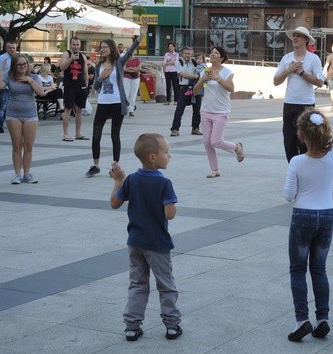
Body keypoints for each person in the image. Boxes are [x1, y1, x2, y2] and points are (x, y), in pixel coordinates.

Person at [283, 81, 333, 341]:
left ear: (301, 136)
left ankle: (302, 319)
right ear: (324, 132)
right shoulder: (332, 156)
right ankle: (323, 317)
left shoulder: (298, 162)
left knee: (297, 269)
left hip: (302, 216)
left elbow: (288, 195)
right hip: (327, 215)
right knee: (319, 269)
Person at [110, 133, 182, 342]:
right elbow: (170, 213)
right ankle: (171, 325)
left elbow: (114, 203)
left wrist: (118, 180)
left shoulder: (131, 179)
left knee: (138, 284)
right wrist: (170, 206)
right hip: (157, 244)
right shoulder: (164, 183)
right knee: (165, 284)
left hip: (135, 243)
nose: (169, 156)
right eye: (166, 152)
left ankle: (132, 327)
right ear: (152, 157)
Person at [85, 24, 147, 178]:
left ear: (111, 48)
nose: (103, 49)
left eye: (105, 46)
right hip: (103, 102)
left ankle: (115, 165)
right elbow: (96, 86)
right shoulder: (99, 65)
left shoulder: (118, 62)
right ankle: (95, 164)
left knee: (114, 134)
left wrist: (141, 36)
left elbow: (131, 50)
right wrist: (100, 77)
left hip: (117, 102)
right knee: (96, 133)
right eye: (101, 47)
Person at [273, 26, 324, 162]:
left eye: (298, 36)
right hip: (289, 104)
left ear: (306, 40)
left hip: (306, 105)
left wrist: (302, 73)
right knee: (289, 140)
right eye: (293, 35)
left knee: (305, 140)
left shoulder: (313, 59)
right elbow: (276, 81)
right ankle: (293, 170)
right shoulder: (286, 58)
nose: (294, 38)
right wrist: (288, 70)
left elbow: (320, 82)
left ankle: (305, 171)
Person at [0, 53, 46, 184]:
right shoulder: (10, 77)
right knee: (16, 146)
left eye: (25, 64)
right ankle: (17, 174)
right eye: (19, 64)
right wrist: (1, 70)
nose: (23, 66)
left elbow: (41, 92)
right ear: (14, 66)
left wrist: (29, 80)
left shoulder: (33, 77)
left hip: (30, 115)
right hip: (13, 114)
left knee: (28, 146)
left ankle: (27, 173)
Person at [193, 46, 244, 178]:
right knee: (206, 142)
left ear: (221, 57)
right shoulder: (205, 71)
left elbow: (231, 88)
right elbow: (196, 91)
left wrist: (218, 78)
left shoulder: (227, 72)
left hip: (221, 111)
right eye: (211, 52)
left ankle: (236, 147)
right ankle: (215, 170)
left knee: (215, 141)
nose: (213, 54)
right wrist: (202, 79)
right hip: (206, 110)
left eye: (216, 53)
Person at [58, 36, 89, 142]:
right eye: (74, 44)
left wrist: (86, 86)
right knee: (68, 109)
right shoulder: (66, 54)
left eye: (77, 44)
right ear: (70, 45)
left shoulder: (83, 57)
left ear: (80, 45)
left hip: (80, 86)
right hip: (69, 85)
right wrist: (71, 58)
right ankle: (65, 134)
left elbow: (85, 73)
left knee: (79, 110)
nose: (75, 46)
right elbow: (62, 67)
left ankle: (78, 133)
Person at [169, 46, 202, 137]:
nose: (188, 55)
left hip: (195, 88)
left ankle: (195, 128)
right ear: (182, 54)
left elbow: (203, 71)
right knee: (179, 110)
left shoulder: (195, 62)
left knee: (197, 109)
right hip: (184, 88)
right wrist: (196, 77)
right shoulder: (178, 62)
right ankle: (175, 129)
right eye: (186, 53)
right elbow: (183, 74)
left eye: (189, 54)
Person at [0, 40, 17, 133]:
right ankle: (0, 125)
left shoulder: (18, 58)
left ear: (16, 47)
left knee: (13, 107)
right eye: (10, 48)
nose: (12, 49)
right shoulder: (1, 58)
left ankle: (13, 125)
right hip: (4, 87)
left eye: (13, 48)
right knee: (3, 106)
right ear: (6, 48)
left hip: (15, 86)